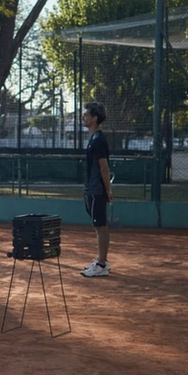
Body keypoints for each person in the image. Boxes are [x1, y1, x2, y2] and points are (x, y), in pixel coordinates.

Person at [80, 102, 113, 277]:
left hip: (97, 190)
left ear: (94, 119)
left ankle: (101, 264)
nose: (83, 117)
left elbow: (104, 168)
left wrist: (108, 191)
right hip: (91, 189)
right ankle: (101, 260)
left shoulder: (98, 139)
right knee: (98, 226)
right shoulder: (93, 139)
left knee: (100, 226)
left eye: (86, 115)